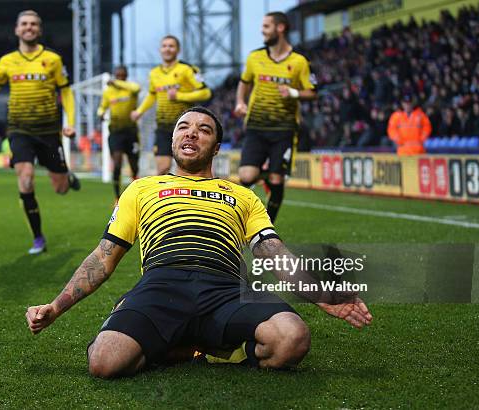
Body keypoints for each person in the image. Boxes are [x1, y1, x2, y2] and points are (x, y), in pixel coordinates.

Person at [26, 106, 372, 378]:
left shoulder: (242, 195)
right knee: (104, 362)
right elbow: (104, 257)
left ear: (216, 147)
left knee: (292, 340)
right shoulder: (142, 188)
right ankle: (199, 343)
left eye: (203, 130)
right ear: (173, 140)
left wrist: (322, 295)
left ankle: (188, 345)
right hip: (162, 284)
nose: (192, 133)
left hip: (226, 288)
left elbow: (273, 252)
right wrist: (56, 307)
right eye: (183, 128)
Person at [0, 10, 80, 255]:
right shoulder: (7, 62)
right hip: (19, 129)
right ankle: (38, 238)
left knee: (61, 188)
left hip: (48, 131)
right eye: (24, 24)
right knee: (25, 178)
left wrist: (71, 122)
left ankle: (67, 176)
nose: (29, 27)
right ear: (17, 29)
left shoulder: (53, 59)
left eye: (33, 24)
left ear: (39, 30)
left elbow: (65, 91)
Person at [234, 11, 317, 223]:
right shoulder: (255, 57)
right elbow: (244, 82)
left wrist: (294, 92)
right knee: (246, 177)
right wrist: (240, 102)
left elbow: (313, 91)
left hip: (284, 129)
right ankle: (266, 174)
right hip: (256, 127)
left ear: (280, 28)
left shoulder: (299, 62)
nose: (262, 30)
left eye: (266, 26)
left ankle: (265, 228)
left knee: (277, 178)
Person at [130, 35, 211, 175]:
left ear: (177, 50)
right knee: (162, 169)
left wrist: (179, 96)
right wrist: (139, 111)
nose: (167, 49)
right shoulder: (154, 73)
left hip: (185, 127)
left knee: (189, 168)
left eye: (171, 46)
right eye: (164, 46)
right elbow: (152, 94)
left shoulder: (187, 69)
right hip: (163, 126)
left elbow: (205, 92)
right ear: (160, 50)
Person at [97, 66, 141, 199]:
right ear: (115, 75)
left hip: (131, 132)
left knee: (134, 165)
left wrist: (117, 82)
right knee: (117, 164)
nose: (120, 78)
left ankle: (136, 192)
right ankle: (117, 197)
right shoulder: (109, 92)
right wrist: (100, 113)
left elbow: (136, 88)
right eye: (118, 76)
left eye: (123, 76)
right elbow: (102, 106)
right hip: (115, 131)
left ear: (126, 76)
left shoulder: (131, 89)